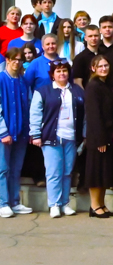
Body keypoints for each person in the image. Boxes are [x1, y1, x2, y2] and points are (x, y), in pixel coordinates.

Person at [29, 59, 84, 218]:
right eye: (58, 71)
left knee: (67, 172)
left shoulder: (77, 90)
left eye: (64, 70)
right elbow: (35, 114)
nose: (62, 74)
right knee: (54, 172)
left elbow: (85, 114)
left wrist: (84, 135)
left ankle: (65, 203)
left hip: (71, 137)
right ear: (52, 74)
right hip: (51, 137)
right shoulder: (43, 91)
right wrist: (35, 134)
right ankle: (54, 204)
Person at [83, 55, 113, 218]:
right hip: (98, 137)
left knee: (104, 172)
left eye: (106, 65)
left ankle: (101, 203)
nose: (104, 69)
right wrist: (100, 139)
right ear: (93, 68)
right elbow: (94, 115)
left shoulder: (106, 84)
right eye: (100, 66)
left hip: (108, 135)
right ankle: (94, 205)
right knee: (95, 172)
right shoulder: (93, 86)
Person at [0, 49, 31, 217]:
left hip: (21, 132)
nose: (17, 62)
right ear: (7, 59)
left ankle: (14, 201)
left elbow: (28, 104)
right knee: (3, 169)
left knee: (16, 169)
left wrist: (30, 130)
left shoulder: (23, 81)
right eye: (14, 59)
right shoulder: (1, 79)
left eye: (20, 60)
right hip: (4, 134)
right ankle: (2, 203)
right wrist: (3, 131)